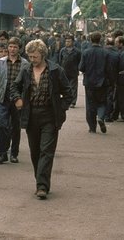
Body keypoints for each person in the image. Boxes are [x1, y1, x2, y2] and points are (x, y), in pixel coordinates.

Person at [9, 39, 73, 199]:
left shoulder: (55, 70)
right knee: (35, 151)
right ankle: (41, 178)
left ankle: (42, 186)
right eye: (30, 57)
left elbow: (68, 92)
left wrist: (61, 107)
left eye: (35, 57)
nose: (32, 60)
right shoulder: (26, 70)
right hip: (31, 115)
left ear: (43, 55)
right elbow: (14, 87)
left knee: (47, 151)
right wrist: (17, 99)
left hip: (50, 116)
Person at [0, 37, 28, 164]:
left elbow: (26, 84)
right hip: (2, 98)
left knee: (15, 127)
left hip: (17, 100)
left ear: (19, 49)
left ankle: (14, 153)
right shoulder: (1, 62)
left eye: (15, 47)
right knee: (1, 125)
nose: (12, 49)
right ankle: (2, 153)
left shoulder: (25, 64)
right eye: (10, 46)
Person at [79, 32, 109, 133]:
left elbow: (81, 67)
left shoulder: (86, 52)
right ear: (100, 40)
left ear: (90, 40)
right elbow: (109, 69)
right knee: (102, 102)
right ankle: (100, 117)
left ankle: (92, 127)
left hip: (89, 82)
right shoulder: (105, 52)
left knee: (90, 105)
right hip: (102, 82)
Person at [58, 34, 81, 108]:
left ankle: (73, 102)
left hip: (73, 71)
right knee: (64, 87)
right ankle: (66, 100)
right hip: (64, 71)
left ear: (73, 42)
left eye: (69, 41)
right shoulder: (62, 50)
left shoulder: (77, 51)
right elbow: (60, 60)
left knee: (73, 87)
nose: (67, 43)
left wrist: (78, 69)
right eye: (66, 41)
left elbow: (79, 61)